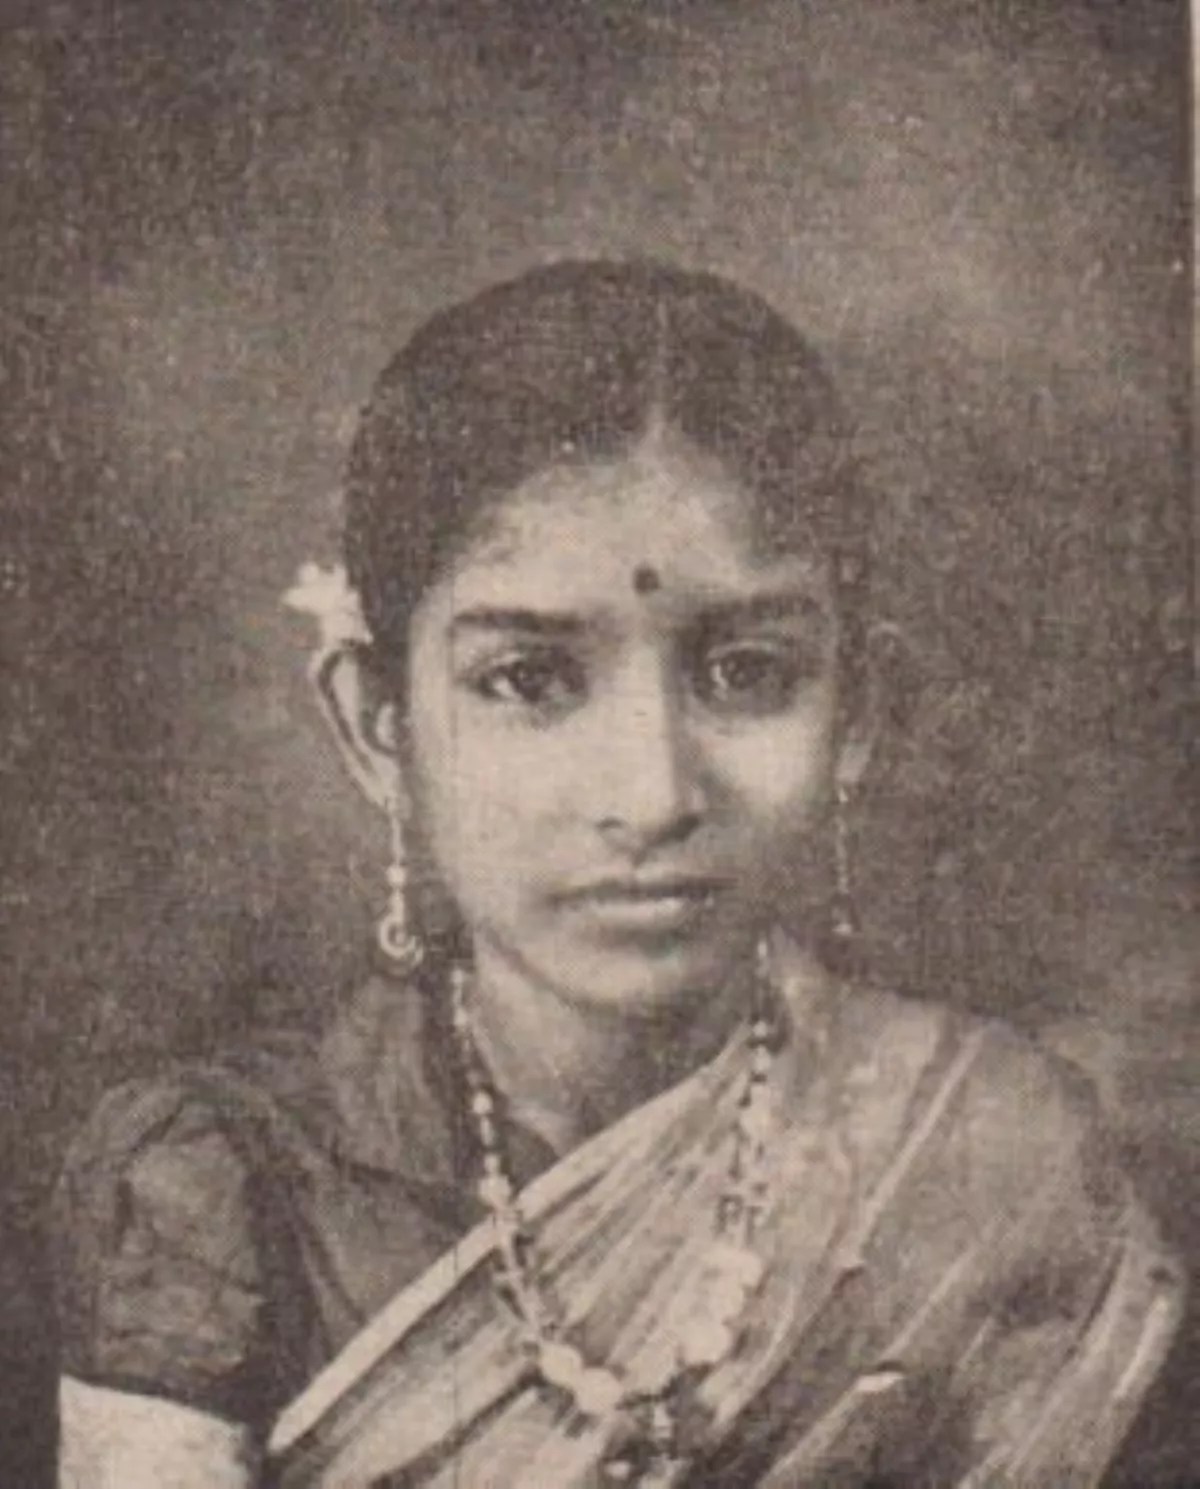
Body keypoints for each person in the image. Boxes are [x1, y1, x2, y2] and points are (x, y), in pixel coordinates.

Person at [52, 260, 1184, 1487]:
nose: (653, 794)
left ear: (857, 712)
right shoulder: (219, 1190)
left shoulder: (988, 1153)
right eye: (529, 681)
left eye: (747, 672)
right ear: (378, 726)